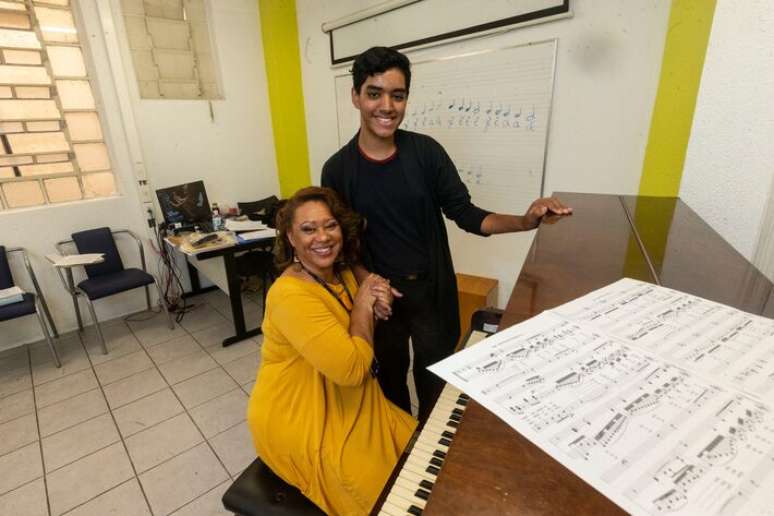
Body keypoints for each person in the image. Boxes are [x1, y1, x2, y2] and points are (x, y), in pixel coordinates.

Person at [322, 46, 572, 422]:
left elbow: (467, 215)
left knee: (436, 388)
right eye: (374, 93)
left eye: (398, 94)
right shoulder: (337, 169)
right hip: (379, 301)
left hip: (432, 295)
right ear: (356, 96)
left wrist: (525, 221)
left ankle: (430, 453)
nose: (387, 106)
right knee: (389, 388)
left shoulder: (426, 153)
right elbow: (345, 246)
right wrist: (369, 286)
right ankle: (402, 453)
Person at [246, 186, 417, 516]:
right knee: (382, 498)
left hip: (357, 403)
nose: (322, 237)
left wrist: (375, 293)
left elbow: (357, 327)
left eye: (330, 225)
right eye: (308, 229)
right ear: (291, 239)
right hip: (300, 417)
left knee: (421, 447)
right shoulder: (290, 296)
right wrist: (365, 305)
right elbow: (352, 368)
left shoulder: (341, 272)